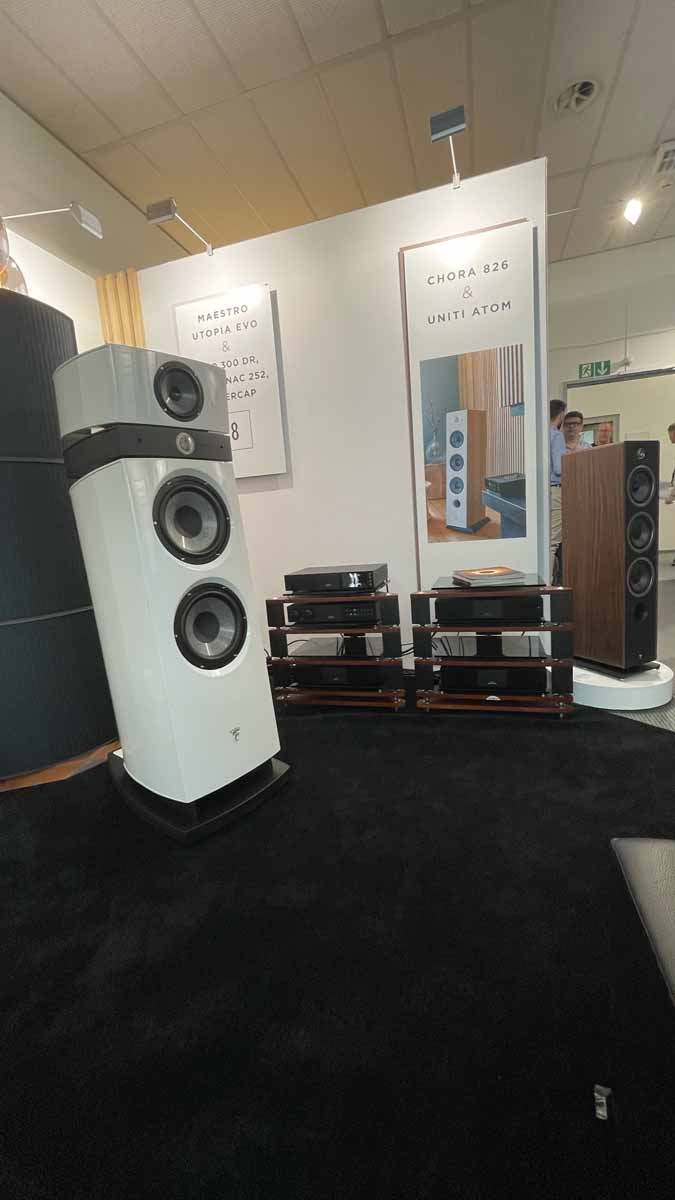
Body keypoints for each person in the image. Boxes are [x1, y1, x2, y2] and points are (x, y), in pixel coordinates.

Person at [550, 399, 566, 580]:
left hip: (542, 492)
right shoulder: (556, 436)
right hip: (555, 490)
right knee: (552, 543)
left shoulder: (540, 435)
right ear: (561, 414)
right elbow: (559, 469)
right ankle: (547, 585)